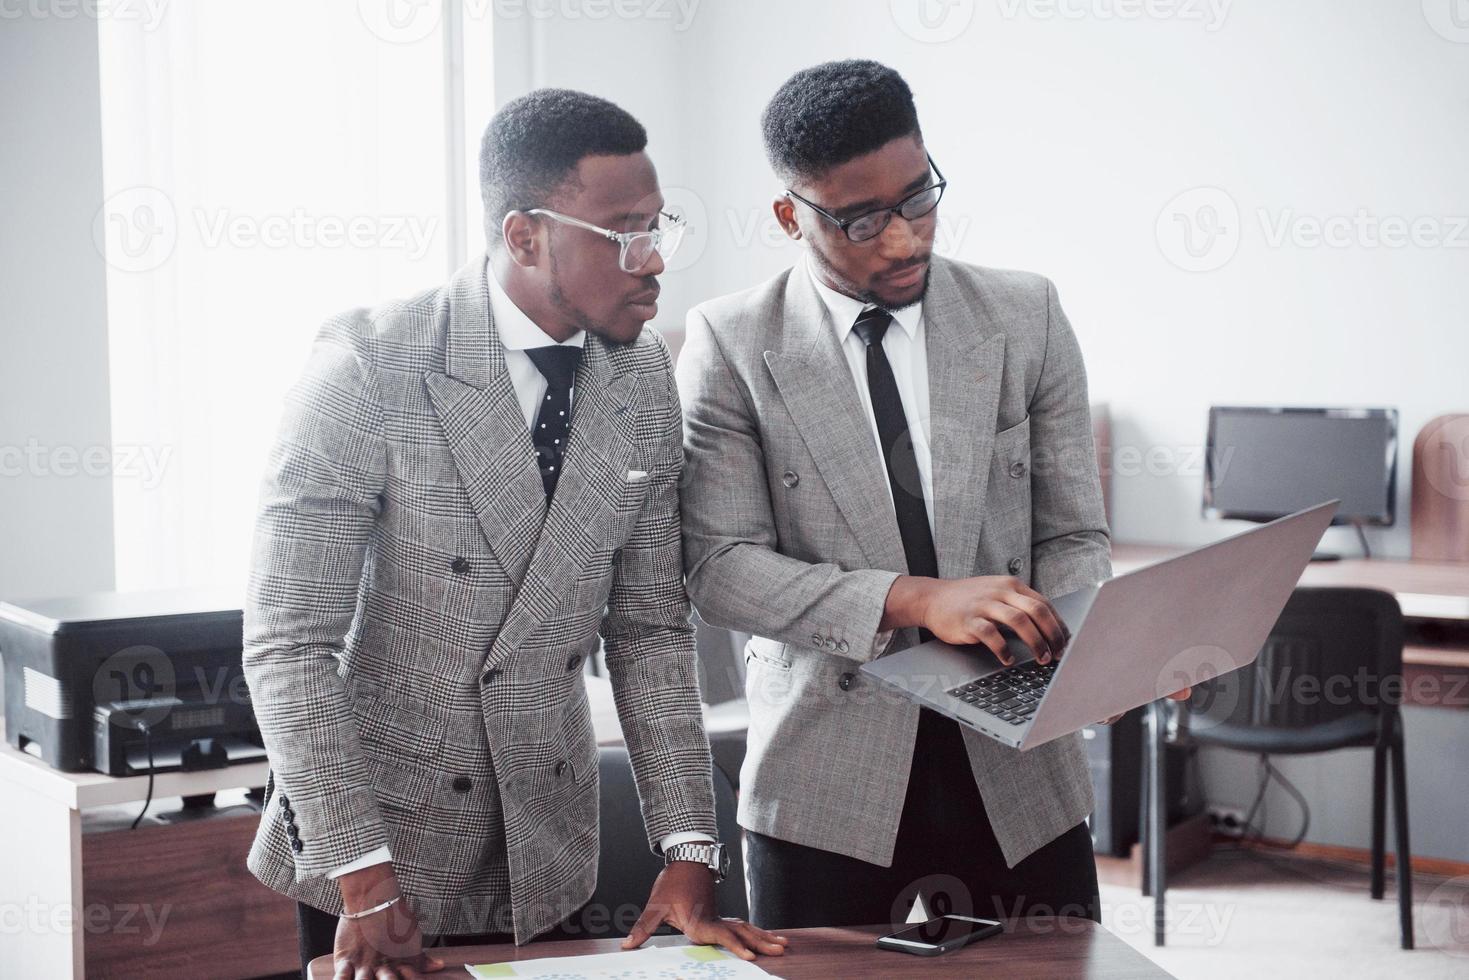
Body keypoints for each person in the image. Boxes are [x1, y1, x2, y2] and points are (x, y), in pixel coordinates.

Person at [243, 88, 785, 979]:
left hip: (546, 842)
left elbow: (648, 631)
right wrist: (364, 878)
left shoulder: (642, 376)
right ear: (526, 236)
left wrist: (690, 849)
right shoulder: (367, 366)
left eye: (659, 227)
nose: (653, 263)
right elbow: (288, 647)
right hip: (379, 852)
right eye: (623, 234)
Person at [676, 60, 1190, 930]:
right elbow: (721, 571)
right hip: (825, 774)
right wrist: (917, 600)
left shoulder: (1024, 315)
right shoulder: (729, 343)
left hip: (1018, 760)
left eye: (919, 198)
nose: (905, 239)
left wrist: (1099, 640)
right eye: (862, 219)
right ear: (788, 215)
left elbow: (1070, 531)